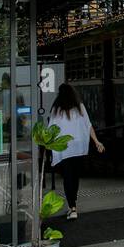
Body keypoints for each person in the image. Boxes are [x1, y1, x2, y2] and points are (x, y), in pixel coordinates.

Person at [47, 84, 104, 219]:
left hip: (64, 147)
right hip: (78, 146)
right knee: (75, 176)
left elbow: (51, 129)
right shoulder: (80, 107)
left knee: (67, 177)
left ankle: (72, 207)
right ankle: (73, 206)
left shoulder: (56, 109)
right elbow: (88, 125)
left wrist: (47, 145)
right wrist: (96, 141)